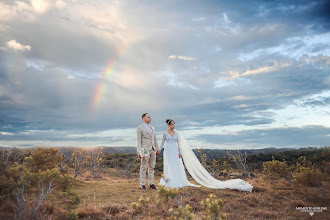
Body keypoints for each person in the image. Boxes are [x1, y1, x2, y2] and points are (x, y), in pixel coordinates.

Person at [159, 119, 254, 192]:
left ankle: (178, 180)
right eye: (172, 124)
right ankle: (169, 180)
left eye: (174, 124)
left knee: (177, 165)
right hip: (168, 151)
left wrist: (180, 152)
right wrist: (159, 150)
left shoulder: (177, 134)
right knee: (170, 165)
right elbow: (162, 142)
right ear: (168, 125)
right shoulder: (165, 133)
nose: (173, 125)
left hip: (175, 150)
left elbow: (179, 144)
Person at [136, 113, 160, 191]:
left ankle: (151, 183)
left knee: (152, 167)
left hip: (153, 149)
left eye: (150, 117)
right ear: (143, 118)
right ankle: (142, 184)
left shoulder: (152, 127)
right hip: (145, 150)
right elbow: (139, 140)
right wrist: (139, 151)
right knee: (143, 167)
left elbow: (155, 139)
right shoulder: (140, 128)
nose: (150, 118)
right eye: (148, 117)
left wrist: (157, 148)